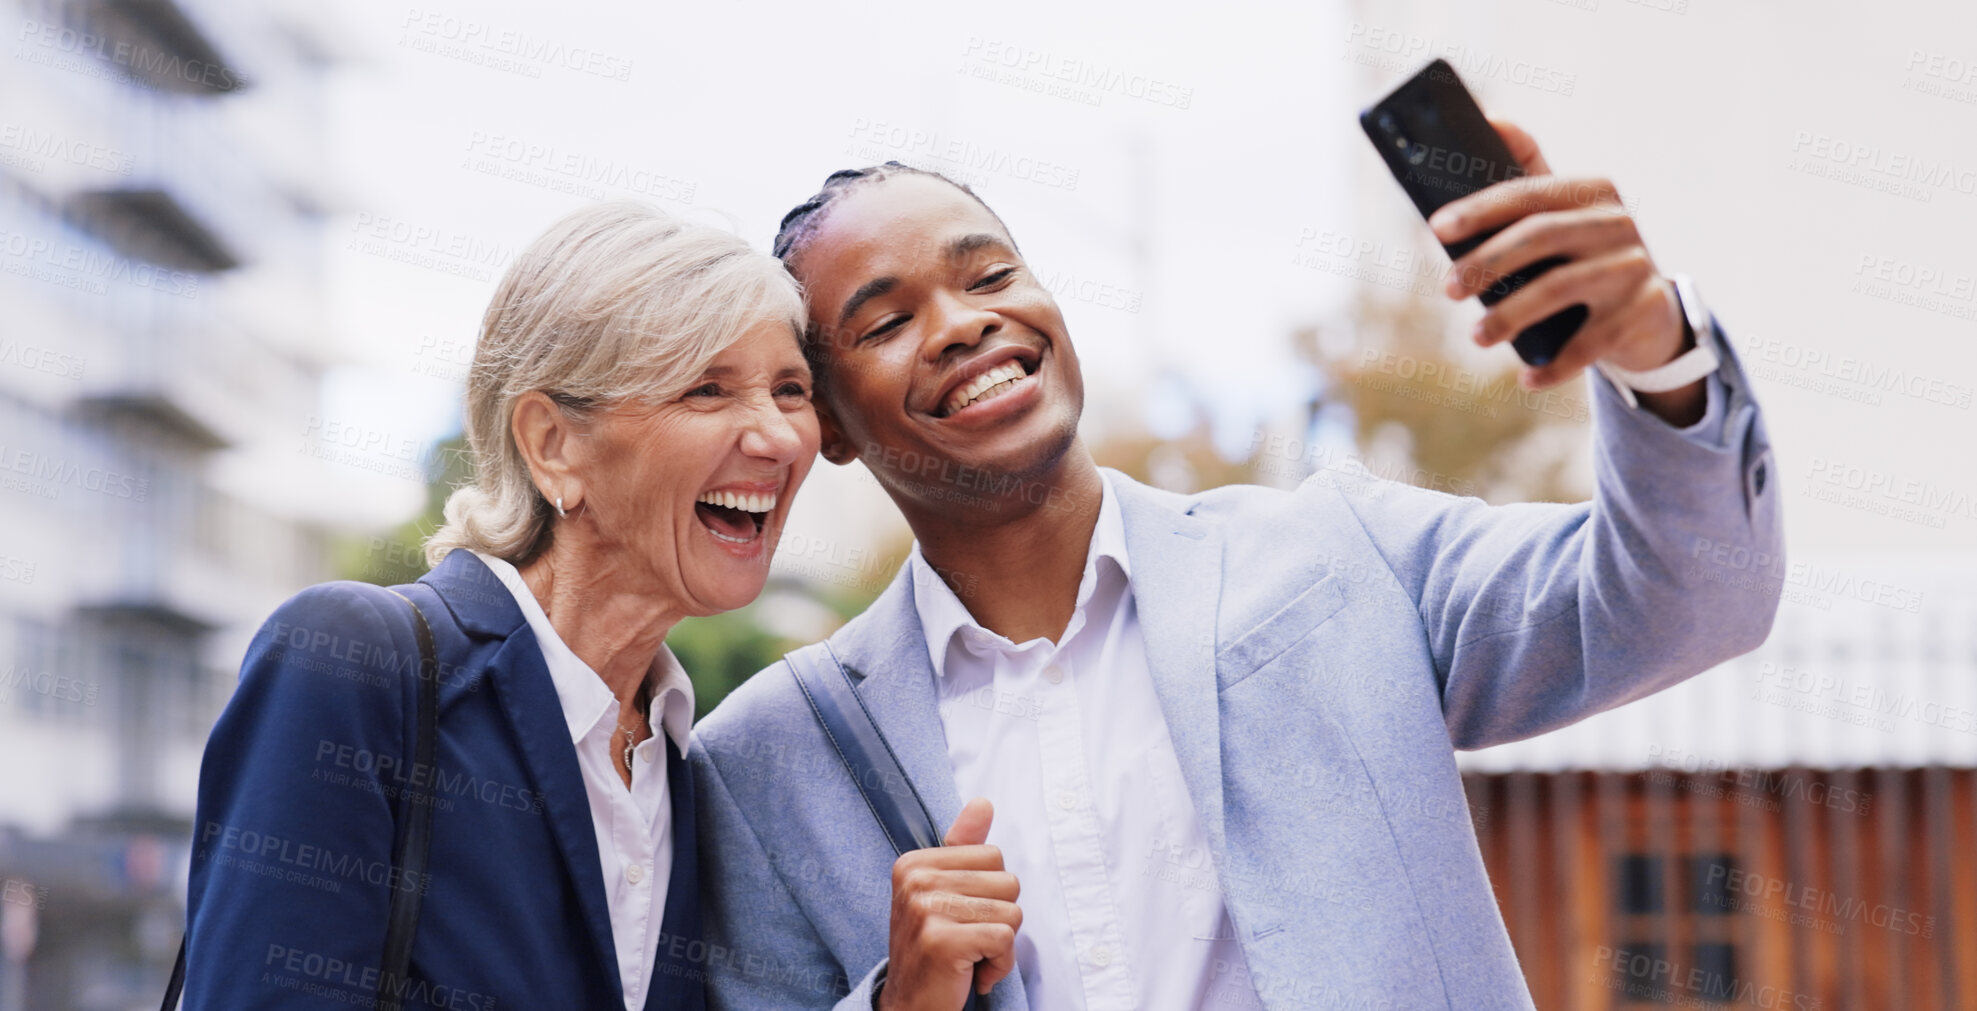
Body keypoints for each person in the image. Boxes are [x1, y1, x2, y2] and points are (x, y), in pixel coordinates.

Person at [690, 118, 1781, 1011]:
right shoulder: (766, 761)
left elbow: (1690, 600)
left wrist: (1654, 353)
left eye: (992, 275)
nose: (964, 324)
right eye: (887, 321)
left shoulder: (1343, 556)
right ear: (826, 420)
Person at [179, 202, 818, 1010]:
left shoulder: (688, 773)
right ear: (552, 443)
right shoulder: (350, 663)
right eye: (706, 388)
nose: (778, 437)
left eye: (789, 389)